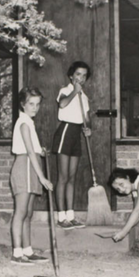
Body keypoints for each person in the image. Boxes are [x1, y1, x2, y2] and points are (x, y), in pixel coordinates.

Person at [9, 87, 53, 266]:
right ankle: (17, 253)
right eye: (31, 104)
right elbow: (28, 152)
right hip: (25, 166)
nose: (35, 108)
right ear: (23, 104)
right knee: (20, 213)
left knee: (28, 213)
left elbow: (33, 150)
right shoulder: (24, 123)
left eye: (37, 104)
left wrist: (41, 151)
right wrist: (43, 178)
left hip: (30, 165)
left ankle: (27, 250)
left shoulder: (29, 122)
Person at [51, 61, 92, 230]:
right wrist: (75, 91)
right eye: (78, 74)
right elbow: (62, 104)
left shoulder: (85, 97)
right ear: (71, 76)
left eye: (83, 75)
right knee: (63, 176)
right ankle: (61, 217)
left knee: (72, 177)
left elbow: (86, 118)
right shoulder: (66, 90)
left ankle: (70, 215)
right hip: (65, 131)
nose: (80, 78)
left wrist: (88, 128)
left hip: (76, 134)